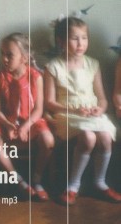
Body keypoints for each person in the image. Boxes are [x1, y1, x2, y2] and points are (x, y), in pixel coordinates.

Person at [44, 17, 121, 205]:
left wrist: (99, 109)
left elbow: (102, 98)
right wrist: (74, 110)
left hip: (91, 114)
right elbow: (50, 103)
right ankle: (73, 186)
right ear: (61, 41)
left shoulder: (93, 64)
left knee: (105, 137)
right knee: (88, 137)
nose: (80, 44)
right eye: (74, 38)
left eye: (84, 38)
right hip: (66, 114)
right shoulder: (53, 67)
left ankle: (100, 183)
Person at [0, 32, 54, 201]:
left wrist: (25, 127)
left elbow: (38, 109)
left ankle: (37, 180)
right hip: (6, 121)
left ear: (24, 58)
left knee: (48, 140)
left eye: (9, 55)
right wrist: (8, 125)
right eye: (2, 54)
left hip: (30, 120)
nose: (4, 59)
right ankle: (18, 181)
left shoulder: (36, 77)